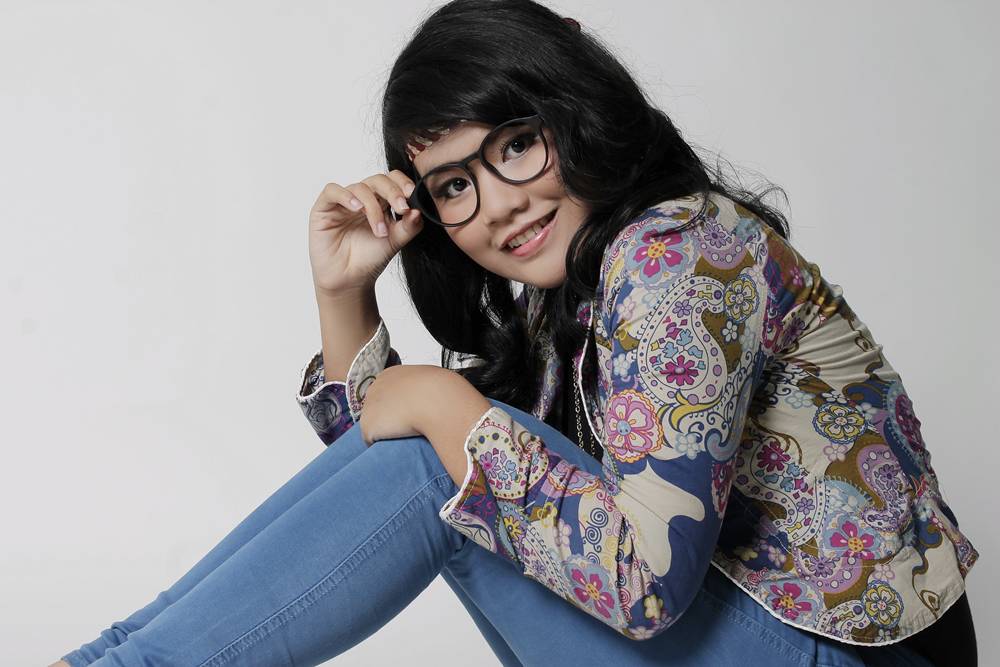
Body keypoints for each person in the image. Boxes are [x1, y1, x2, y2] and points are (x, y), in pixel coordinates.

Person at [55, 1, 979, 665]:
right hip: (748, 634)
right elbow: (372, 496)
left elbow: (645, 582)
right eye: (455, 185)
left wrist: (441, 405)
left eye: (516, 144)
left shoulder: (680, 253)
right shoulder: (570, 283)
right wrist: (344, 294)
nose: (498, 204)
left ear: (575, 108)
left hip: (841, 652)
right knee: (442, 458)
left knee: (446, 458)